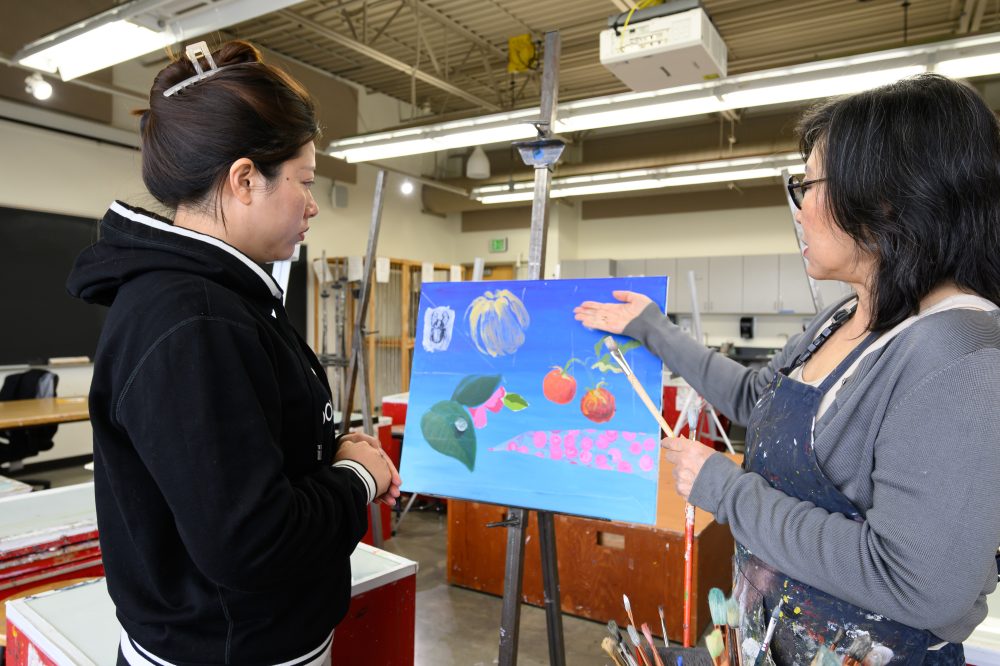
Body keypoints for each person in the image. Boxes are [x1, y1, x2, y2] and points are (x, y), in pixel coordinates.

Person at [575, 73, 1000, 665]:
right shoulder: (850, 314)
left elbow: (921, 583)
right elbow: (756, 397)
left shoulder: (958, 353)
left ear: (885, 195)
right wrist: (652, 327)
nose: (797, 209)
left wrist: (727, 492)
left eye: (808, 184)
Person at [67, 40, 401, 665]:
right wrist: (361, 478)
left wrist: (336, 453)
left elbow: (247, 456)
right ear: (246, 180)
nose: (312, 204)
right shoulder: (192, 321)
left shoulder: (228, 299)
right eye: (304, 181)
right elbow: (252, 542)